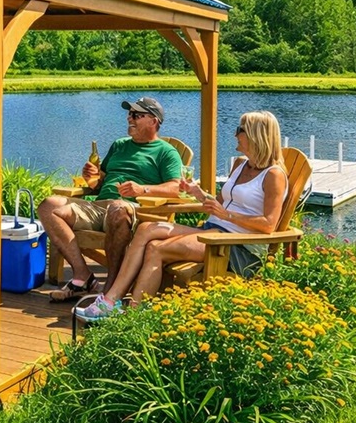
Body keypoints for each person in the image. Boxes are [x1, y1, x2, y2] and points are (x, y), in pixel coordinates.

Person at [75, 110, 288, 320]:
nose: (235, 134)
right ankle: (112, 301)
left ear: (256, 135)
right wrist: (198, 194)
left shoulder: (273, 175)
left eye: (239, 129)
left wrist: (227, 216)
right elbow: (219, 204)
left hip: (236, 246)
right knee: (147, 229)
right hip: (213, 230)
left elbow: (269, 224)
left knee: (156, 248)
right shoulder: (241, 165)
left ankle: (130, 311)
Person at [38, 96, 183, 302]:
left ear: (154, 121)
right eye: (129, 114)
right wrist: (92, 179)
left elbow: (175, 188)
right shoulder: (119, 145)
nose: (129, 118)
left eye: (136, 115)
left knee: (117, 208)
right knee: (49, 205)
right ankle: (82, 276)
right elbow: (102, 181)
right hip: (100, 207)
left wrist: (142, 189)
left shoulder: (166, 152)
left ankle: (111, 289)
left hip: (135, 211)